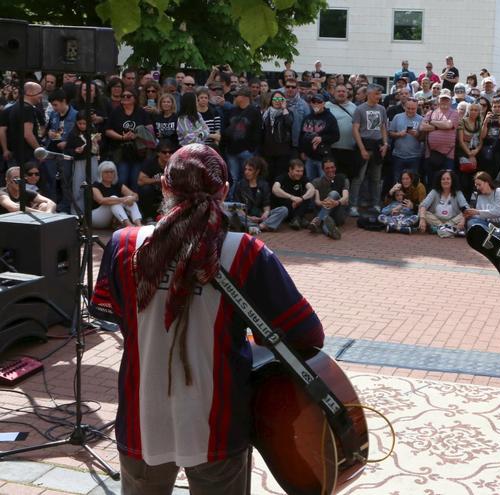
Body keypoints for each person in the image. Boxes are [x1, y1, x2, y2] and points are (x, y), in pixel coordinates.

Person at [89, 143, 324, 495]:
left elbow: (114, 314)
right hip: (218, 421)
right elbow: (307, 334)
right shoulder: (247, 252)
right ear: (225, 191)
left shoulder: (123, 245)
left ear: (165, 188)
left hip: (142, 418)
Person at [351, 84, 389, 217]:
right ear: (369, 94)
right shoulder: (360, 109)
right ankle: (353, 205)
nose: (378, 97)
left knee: (376, 178)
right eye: (376, 94)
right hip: (364, 144)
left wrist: (385, 144)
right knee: (358, 178)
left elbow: (383, 127)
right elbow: (355, 129)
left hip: (377, 145)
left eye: (380, 94)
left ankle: (376, 204)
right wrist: (361, 148)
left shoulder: (382, 109)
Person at [228, 156, 287, 234]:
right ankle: (258, 226)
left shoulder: (264, 185)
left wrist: (265, 214)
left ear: (257, 171)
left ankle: (259, 227)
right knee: (233, 212)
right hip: (246, 217)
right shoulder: (240, 185)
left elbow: (267, 203)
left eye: (250, 170)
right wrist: (249, 217)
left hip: (261, 217)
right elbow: (238, 207)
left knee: (283, 210)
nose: (246, 172)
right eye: (245, 169)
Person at [91, 161, 142, 228]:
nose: (109, 174)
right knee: (113, 199)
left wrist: (132, 198)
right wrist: (122, 199)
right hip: (96, 218)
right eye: (106, 172)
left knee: (129, 198)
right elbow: (101, 200)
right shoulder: (95, 186)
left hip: (109, 220)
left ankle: (139, 225)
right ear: (100, 173)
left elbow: (135, 195)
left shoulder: (117, 184)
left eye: (112, 172)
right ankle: (129, 226)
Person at [418, 170, 469, 236]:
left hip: (452, 221)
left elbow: (466, 208)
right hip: (436, 221)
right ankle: (449, 229)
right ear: (440, 181)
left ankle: (440, 229)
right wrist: (422, 219)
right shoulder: (434, 192)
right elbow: (423, 205)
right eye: (443, 179)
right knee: (421, 211)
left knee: (465, 213)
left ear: (452, 181)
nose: (445, 181)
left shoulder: (458, 193)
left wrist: (462, 221)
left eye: (448, 179)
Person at [308, 157, 349, 240]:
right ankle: (330, 232)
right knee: (325, 220)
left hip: (338, 213)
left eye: (332, 167)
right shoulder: (317, 182)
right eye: (327, 168)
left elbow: (345, 198)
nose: (330, 170)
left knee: (333, 193)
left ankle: (317, 222)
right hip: (322, 211)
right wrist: (326, 203)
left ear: (335, 168)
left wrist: (335, 203)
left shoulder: (342, 179)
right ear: (323, 169)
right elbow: (317, 202)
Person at [137, 140, 174, 222]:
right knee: (145, 189)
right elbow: (140, 181)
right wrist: (159, 180)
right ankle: (147, 217)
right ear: (158, 153)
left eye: (170, 152)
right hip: (154, 191)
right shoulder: (150, 163)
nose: (168, 154)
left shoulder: (176, 163)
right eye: (164, 152)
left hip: (170, 191)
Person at [271, 159, 315, 230]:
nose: (300, 173)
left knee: (307, 197)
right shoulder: (282, 178)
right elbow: (275, 189)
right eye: (297, 171)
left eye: (301, 171)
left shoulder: (303, 178)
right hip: (285, 208)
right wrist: (291, 197)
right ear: (290, 170)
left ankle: (297, 219)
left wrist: (302, 198)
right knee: (286, 202)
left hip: (296, 205)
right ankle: (300, 219)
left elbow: (312, 189)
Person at [388, 98, 424, 182]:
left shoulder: (421, 119)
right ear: (404, 107)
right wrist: (399, 134)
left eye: (413, 109)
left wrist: (417, 135)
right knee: (397, 181)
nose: (410, 111)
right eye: (408, 108)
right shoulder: (397, 117)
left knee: (414, 182)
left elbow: (423, 139)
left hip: (415, 156)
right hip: (398, 156)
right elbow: (390, 133)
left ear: (417, 108)